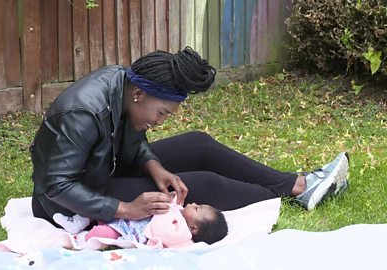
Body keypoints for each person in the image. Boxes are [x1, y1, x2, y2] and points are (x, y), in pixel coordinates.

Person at [29, 47, 349, 234]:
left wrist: (153, 165)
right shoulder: (81, 113)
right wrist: (125, 208)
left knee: (198, 144)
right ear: (139, 94)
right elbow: (56, 185)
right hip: (66, 201)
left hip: (104, 168)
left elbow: (129, 135)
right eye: (163, 113)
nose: (160, 121)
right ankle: (278, 195)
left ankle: (299, 185)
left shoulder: (124, 83)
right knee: (201, 185)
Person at [54, 195, 228, 247]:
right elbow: (171, 204)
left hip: (129, 230)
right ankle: (77, 222)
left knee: (103, 234)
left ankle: (81, 244)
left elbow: (162, 230)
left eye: (197, 209)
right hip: (129, 216)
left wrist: (168, 210)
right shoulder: (180, 212)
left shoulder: (181, 234)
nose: (195, 203)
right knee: (102, 205)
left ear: (194, 228)